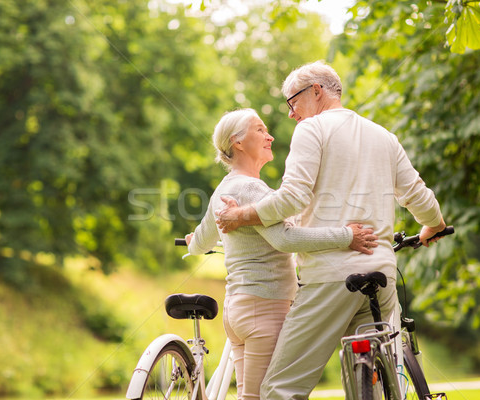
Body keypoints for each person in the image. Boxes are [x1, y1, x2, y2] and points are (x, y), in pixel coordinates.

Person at [214, 61, 446, 400]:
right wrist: (433, 226)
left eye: (292, 102)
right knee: (372, 380)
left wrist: (244, 214)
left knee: (280, 388)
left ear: (317, 92)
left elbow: (292, 198)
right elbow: (419, 196)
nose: (292, 115)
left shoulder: (313, 130)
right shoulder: (384, 137)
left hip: (330, 276)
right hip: (382, 275)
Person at [184, 108, 378, 400]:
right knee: (266, 396)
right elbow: (284, 240)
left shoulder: (224, 189)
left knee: (251, 396)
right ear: (237, 142)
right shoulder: (250, 188)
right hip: (265, 307)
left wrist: (190, 242)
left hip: (237, 310)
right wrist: (346, 236)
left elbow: (200, 243)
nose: (270, 135)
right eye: (260, 129)